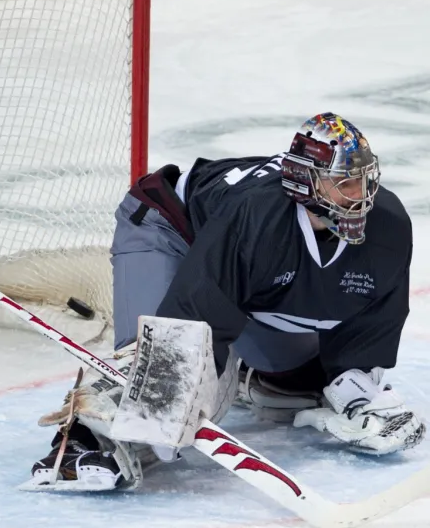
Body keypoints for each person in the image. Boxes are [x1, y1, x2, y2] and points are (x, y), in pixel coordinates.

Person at [26, 112, 425, 492]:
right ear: (305, 183)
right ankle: (79, 443)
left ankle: (249, 377)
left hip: (238, 260)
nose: (360, 196)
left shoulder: (388, 223)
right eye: (343, 183)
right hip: (171, 230)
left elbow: (370, 320)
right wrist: (172, 395)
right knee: (159, 374)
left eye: (362, 180)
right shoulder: (258, 217)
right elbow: (193, 318)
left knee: (303, 379)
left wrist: (356, 390)